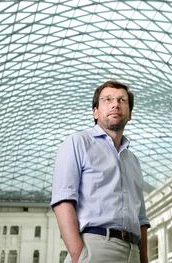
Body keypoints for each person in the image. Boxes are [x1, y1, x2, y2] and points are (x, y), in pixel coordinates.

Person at [50, 80, 150, 263]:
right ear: (95, 111)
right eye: (107, 99)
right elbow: (63, 200)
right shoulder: (78, 142)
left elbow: (141, 219)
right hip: (95, 247)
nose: (115, 104)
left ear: (130, 113)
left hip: (133, 251)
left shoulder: (133, 160)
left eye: (122, 100)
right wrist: (80, 255)